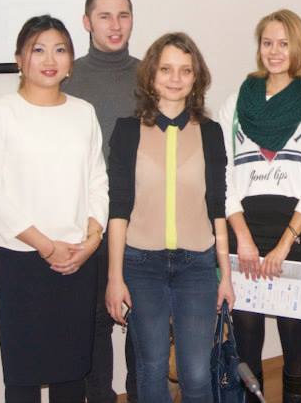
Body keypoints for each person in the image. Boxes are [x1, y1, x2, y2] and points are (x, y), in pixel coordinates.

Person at [0, 15, 108, 403]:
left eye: (60, 49)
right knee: (23, 375)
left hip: (77, 259)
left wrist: (92, 238)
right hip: (22, 260)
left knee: (72, 373)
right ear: (20, 59)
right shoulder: (0, 112)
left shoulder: (83, 112)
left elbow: (97, 180)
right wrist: (46, 246)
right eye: (38, 50)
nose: (50, 59)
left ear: (70, 62)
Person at [105, 33, 234, 403]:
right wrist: (115, 277)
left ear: (196, 78)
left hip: (197, 266)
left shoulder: (210, 132)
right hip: (141, 265)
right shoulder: (127, 131)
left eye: (185, 70)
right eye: (166, 69)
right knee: (152, 368)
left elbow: (218, 208)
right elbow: (118, 210)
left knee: (196, 373)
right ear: (151, 75)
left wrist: (225, 275)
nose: (175, 78)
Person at [218, 9, 301, 403]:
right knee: (247, 337)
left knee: (294, 337)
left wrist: (284, 245)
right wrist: (243, 239)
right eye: (267, 43)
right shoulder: (237, 101)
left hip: (295, 236)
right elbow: (224, 174)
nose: (275, 51)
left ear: (298, 48)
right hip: (244, 233)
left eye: (284, 43)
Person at [63, 0, 140, 403]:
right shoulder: (68, 78)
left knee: (142, 318)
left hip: (141, 222)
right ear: (86, 22)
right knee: (95, 321)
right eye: (105, 16)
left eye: (123, 15)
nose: (115, 25)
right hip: (88, 223)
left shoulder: (150, 75)